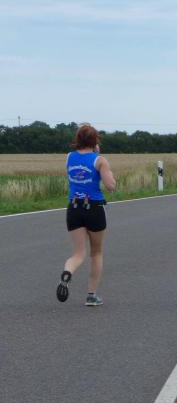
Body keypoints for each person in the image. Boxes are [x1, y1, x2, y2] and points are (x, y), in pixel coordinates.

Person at [57, 124, 117, 306]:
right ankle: (91, 295)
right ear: (95, 140)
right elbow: (111, 186)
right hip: (94, 207)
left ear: (78, 139)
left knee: (78, 253)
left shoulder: (69, 157)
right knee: (96, 252)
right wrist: (101, 162)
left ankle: (67, 272)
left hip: (74, 207)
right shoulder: (99, 161)